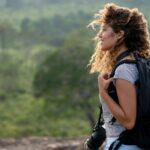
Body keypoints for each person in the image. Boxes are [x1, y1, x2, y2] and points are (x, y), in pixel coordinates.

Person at [88, 3, 150, 150]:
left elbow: (129, 121)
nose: (99, 35)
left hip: (126, 145)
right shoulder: (140, 63)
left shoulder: (124, 70)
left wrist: (103, 92)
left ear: (120, 34)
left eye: (104, 30)